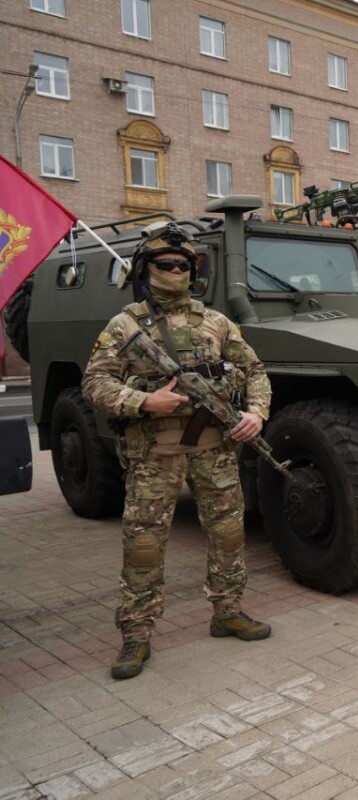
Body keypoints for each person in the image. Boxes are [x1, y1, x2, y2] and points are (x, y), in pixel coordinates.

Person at [82, 222, 273, 680]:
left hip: (215, 451)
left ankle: (227, 611)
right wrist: (146, 401)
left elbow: (256, 371)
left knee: (228, 535)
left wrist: (257, 414)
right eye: (165, 264)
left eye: (184, 265)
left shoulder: (216, 322)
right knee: (144, 545)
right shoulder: (125, 326)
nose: (175, 271)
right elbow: (94, 382)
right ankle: (136, 635)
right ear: (147, 269)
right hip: (156, 455)